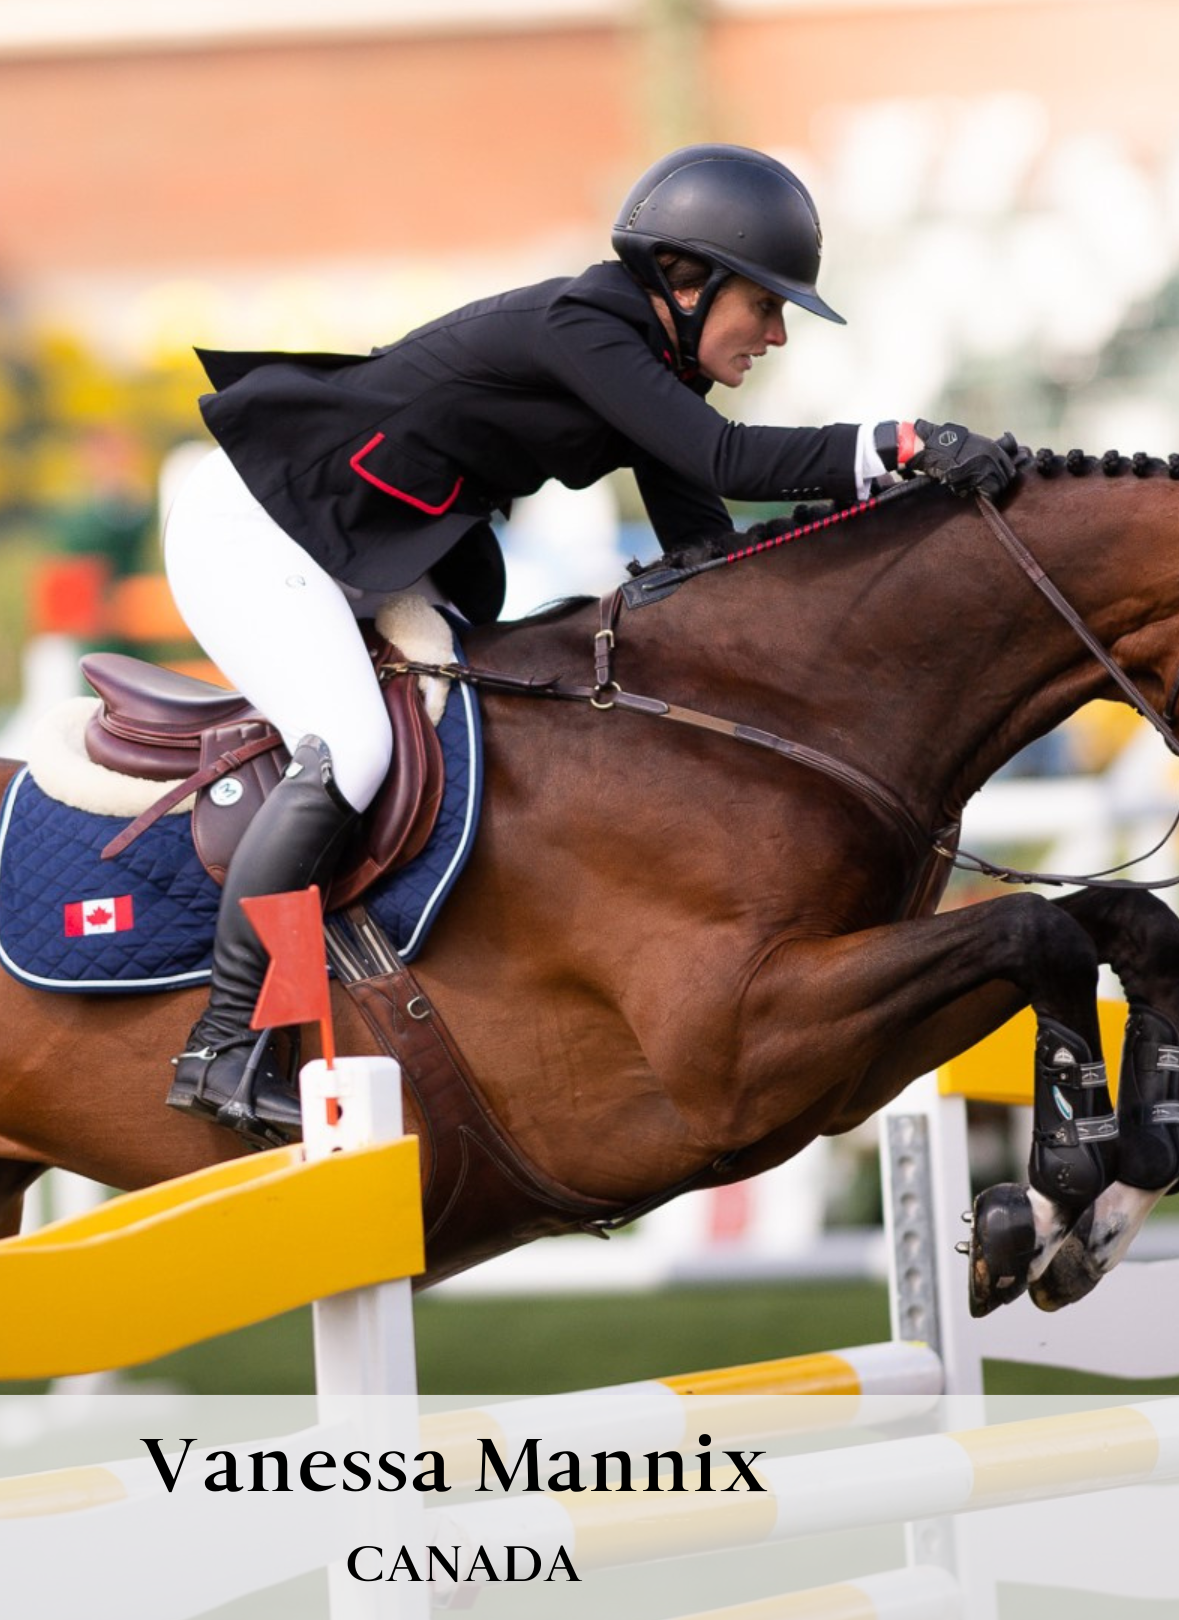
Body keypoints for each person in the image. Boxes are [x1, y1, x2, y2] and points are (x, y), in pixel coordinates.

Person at [161, 143, 1022, 1142]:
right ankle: (222, 1044)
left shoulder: (646, 364)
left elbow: (712, 559)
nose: (779, 335)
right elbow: (729, 461)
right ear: (687, 282)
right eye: (768, 305)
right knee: (354, 748)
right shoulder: (586, 326)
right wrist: (901, 446)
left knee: (489, 724)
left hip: (363, 551)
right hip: (258, 528)